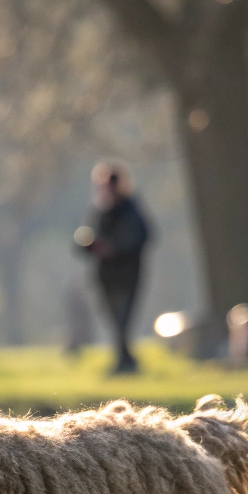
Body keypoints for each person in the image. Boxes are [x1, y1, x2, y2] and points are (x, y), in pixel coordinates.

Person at [74, 161, 151, 375]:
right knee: (113, 318)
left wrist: (114, 248)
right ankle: (125, 360)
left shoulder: (131, 209)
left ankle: (124, 361)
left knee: (123, 318)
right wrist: (90, 245)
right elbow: (83, 238)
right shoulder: (98, 211)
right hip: (105, 276)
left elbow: (142, 236)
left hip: (127, 275)